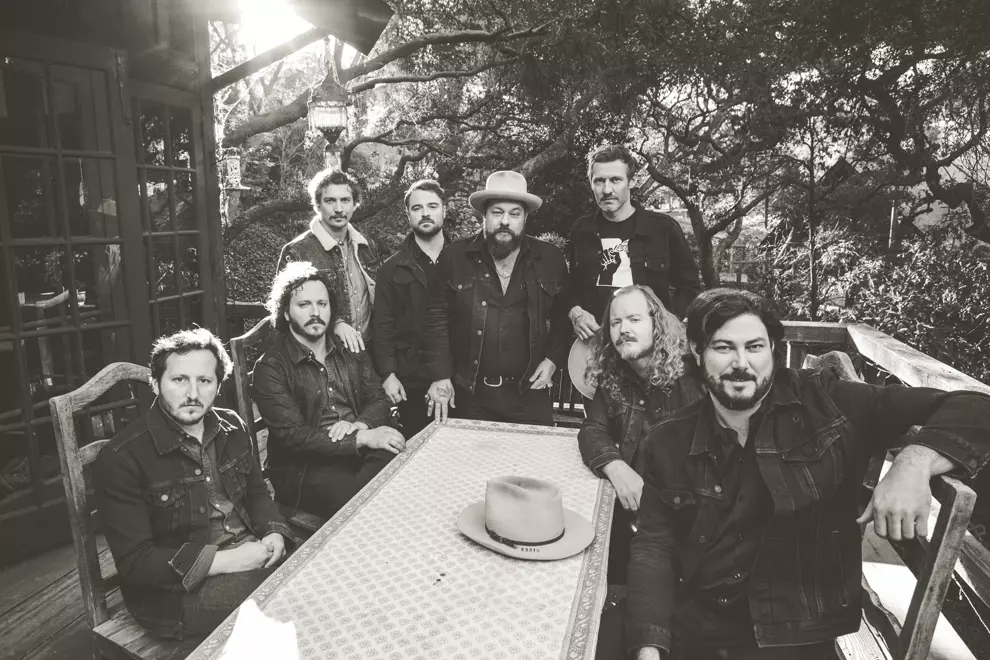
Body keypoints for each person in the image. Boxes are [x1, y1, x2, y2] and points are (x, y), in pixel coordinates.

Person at [622, 288, 990, 660]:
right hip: (697, 628)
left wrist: (914, 463)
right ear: (697, 350)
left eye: (754, 347)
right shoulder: (668, 440)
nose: (741, 363)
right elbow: (654, 546)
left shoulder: (829, 403)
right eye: (723, 347)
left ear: (772, 348)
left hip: (795, 636)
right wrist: (649, 644)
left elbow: (975, 405)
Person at [93, 329, 293, 640]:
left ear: (218, 385)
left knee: (323, 569)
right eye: (179, 380)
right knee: (292, 598)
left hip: (250, 553)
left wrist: (273, 531)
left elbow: (256, 494)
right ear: (156, 383)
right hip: (174, 594)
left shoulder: (232, 426)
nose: (192, 393)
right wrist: (229, 561)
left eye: (204, 381)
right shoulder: (122, 457)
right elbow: (136, 562)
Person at [251, 261, 403, 519]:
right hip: (305, 467)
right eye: (304, 305)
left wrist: (359, 426)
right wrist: (360, 438)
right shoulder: (271, 366)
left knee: (401, 461)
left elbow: (378, 398)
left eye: (322, 304)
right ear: (286, 312)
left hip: (358, 449)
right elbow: (294, 437)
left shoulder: (349, 349)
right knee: (367, 498)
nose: (315, 312)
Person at [423, 170, 570, 425]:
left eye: (514, 214)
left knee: (536, 451)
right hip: (469, 394)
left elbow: (563, 317)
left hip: (529, 392)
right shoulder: (455, 257)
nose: (505, 221)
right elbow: (435, 319)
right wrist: (440, 375)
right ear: (484, 215)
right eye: (497, 212)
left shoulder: (550, 259)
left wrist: (552, 360)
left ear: (525, 218)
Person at [578, 285, 703, 584]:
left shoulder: (692, 374)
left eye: (634, 319)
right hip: (635, 514)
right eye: (616, 322)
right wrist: (616, 466)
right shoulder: (615, 374)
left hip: (690, 521)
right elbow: (593, 429)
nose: (624, 329)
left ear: (656, 323)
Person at [566, 144, 701, 342]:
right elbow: (569, 285)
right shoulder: (581, 230)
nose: (607, 190)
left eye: (616, 180)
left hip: (651, 344)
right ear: (591, 183)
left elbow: (689, 288)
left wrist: (668, 322)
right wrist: (576, 312)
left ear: (632, 181)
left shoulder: (662, 228)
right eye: (599, 181)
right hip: (595, 344)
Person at [371, 179, 447, 438]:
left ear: (444, 210)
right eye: (417, 208)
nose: (425, 213)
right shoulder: (391, 269)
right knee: (416, 448)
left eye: (432, 206)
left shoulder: (464, 259)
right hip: (411, 380)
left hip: (458, 379)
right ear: (408, 214)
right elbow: (383, 325)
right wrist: (388, 374)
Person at [277, 169, 383, 353]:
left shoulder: (367, 246)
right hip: (323, 355)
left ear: (355, 204)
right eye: (330, 200)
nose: (339, 209)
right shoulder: (296, 251)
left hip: (368, 353)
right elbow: (284, 315)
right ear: (317, 205)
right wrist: (335, 323)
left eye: (345, 200)